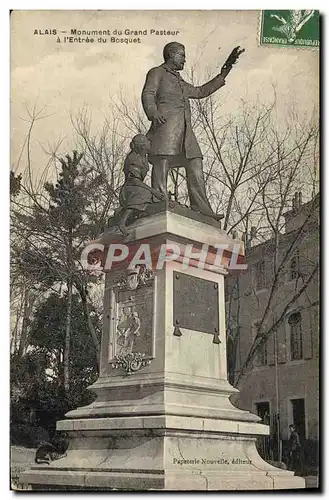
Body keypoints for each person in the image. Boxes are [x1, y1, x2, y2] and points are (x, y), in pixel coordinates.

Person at [141, 42, 244, 220]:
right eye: (182, 55)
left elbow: (200, 91)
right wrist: (153, 113)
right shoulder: (157, 72)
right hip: (165, 125)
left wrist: (224, 73)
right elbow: (148, 93)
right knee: (162, 160)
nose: (185, 59)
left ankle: (201, 208)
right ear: (171, 54)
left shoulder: (179, 81)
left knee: (195, 161)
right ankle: (160, 199)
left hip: (185, 132)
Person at [116, 134, 165, 235]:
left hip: (136, 186)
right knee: (144, 194)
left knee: (153, 196)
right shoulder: (133, 158)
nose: (150, 143)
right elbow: (134, 181)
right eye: (148, 142)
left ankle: (139, 213)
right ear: (142, 146)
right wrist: (153, 191)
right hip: (130, 189)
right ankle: (122, 222)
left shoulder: (144, 157)